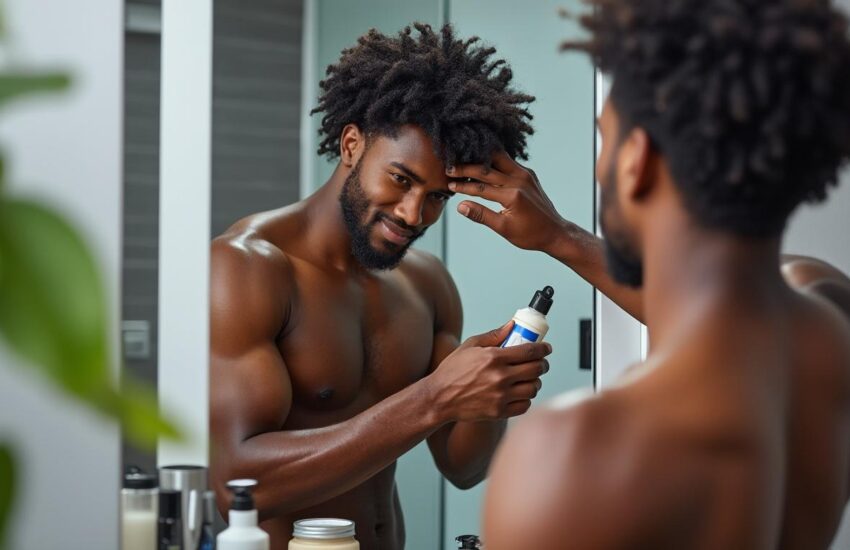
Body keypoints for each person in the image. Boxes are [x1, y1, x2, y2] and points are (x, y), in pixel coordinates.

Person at [445, 1, 850, 548]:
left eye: (603, 137)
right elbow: (722, 305)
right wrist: (560, 236)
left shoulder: (573, 453)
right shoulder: (830, 320)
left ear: (637, 160)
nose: (599, 164)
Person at [209, 23, 551, 549]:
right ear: (351, 145)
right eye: (401, 179)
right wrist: (435, 397)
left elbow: (464, 467)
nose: (414, 214)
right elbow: (238, 487)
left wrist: (493, 392)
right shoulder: (248, 269)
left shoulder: (427, 285)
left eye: (436, 196)